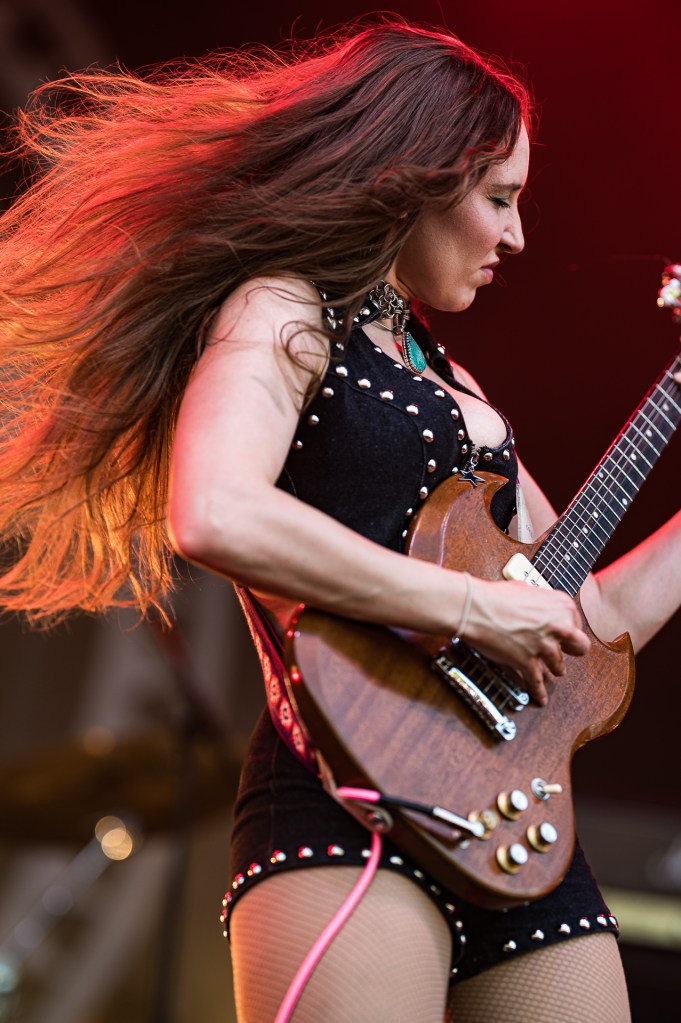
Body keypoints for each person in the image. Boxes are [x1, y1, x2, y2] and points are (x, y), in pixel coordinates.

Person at [0, 15, 679, 1023]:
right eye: (499, 199)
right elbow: (216, 510)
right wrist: (472, 607)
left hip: (513, 826)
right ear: (414, 177)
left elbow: (588, 626)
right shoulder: (281, 312)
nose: (518, 236)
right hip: (346, 808)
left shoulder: (457, 381)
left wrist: (510, 612)